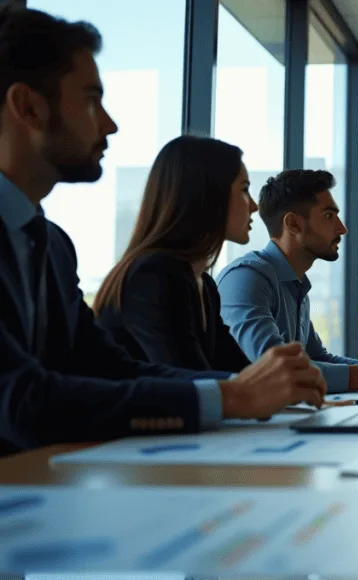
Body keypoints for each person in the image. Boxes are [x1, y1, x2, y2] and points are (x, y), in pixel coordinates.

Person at [0, 6, 325, 455]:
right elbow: (20, 399)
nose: (110, 123)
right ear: (28, 107)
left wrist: (247, 389)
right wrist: (232, 397)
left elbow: (109, 369)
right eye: (91, 99)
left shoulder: (51, 245)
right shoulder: (152, 273)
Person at [217, 169, 358, 392]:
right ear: (294, 224)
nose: (342, 228)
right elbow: (276, 368)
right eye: (328, 216)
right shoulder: (246, 277)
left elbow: (316, 358)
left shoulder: (296, 286)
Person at [92, 136, 258, 373]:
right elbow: (194, 380)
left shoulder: (204, 285)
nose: (254, 206)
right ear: (207, 195)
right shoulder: (154, 275)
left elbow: (240, 375)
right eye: (244, 189)